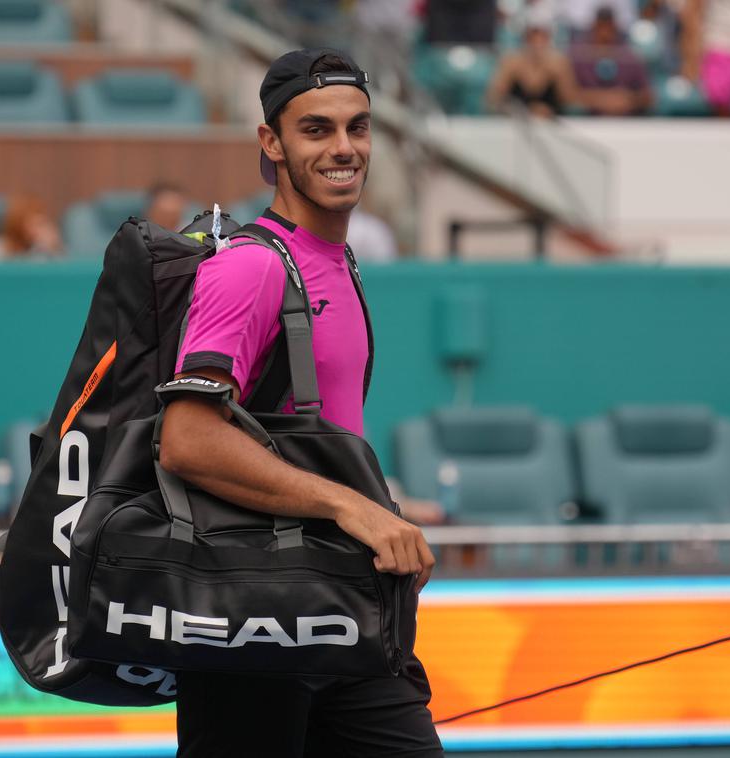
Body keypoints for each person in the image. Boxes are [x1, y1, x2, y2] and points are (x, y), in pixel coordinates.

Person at [158, 48, 442, 756]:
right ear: (271, 143)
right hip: (255, 621)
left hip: (338, 608)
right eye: (316, 130)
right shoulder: (251, 268)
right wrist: (354, 508)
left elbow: (319, 435)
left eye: (358, 127)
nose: (344, 148)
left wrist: (380, 515)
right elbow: (188, 439)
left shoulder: (339, 261)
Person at [487, 11, 581, 118]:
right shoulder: (511, 62)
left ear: (549, 37)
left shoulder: (559, 63)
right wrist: (522, 111)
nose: (537, 41)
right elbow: (493, 99)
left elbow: (570, 101)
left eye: (542, 35)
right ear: (525, 37)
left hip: (550, 125)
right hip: (514, 124)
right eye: (533, 35)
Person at [570, 6, 653, 115]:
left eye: (609, 28)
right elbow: (567, 95)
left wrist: (629, 100)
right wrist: (599, 100)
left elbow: (649, 97)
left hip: (626, 123)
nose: (605, 34)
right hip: (588, 121)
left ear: (616, 28)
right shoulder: (578, 55)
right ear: (593, 28)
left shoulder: (630, 57)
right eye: (601, 27)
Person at [0, 195, 63, 262]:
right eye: (33, 224)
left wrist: (53, 249)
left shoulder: (43, 251)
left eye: (41, 224)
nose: (36, 230)